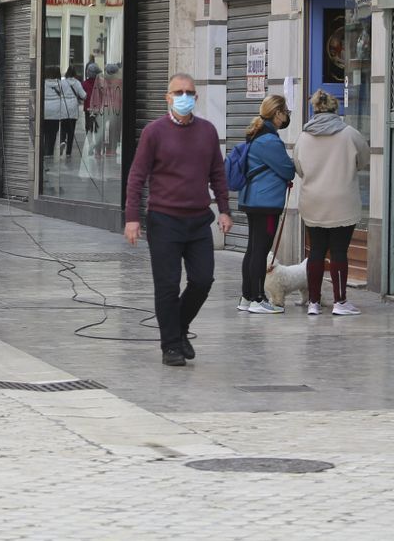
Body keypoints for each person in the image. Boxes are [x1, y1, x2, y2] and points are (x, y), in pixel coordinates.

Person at [123, 73, 232, 367]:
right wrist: (132, 217)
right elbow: (136, 177)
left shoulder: (208, 131)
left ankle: (180, 327)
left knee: (202, 280)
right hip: (164, 220)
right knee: (168, 285)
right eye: (178, 92)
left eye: (189, 92)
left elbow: (218, 174)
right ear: (168, 98)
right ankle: (171, 345)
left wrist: (224, 209)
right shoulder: (153, 132)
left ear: (196, 98)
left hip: (198, 220)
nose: (184, 96)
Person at [295, 89, 370, 317]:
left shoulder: (303, 136)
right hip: (342, 201)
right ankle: (340, 301)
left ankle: (314, 302)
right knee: (339, 251)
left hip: (313, 201)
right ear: (335, 109)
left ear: (315, 109)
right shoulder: (350, 134)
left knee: (316, 250)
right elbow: (364, 159)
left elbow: (298, 167)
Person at [238, 94, 297, 315]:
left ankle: (246, 297)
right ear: (277, 113)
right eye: (286, 113)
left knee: (253, 249)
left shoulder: (256, 135)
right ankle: (257, 298)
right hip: (266, 203)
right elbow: (287, 170)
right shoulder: (270, 141)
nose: (287, 117)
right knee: (260, 251)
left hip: (253, 199)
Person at [39, 66, 73, 158]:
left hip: (43, 112)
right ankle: (49, 152)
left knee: (42, 133)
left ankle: (41, 153)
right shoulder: (60, 84)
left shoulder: (42, 83)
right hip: (55, 113)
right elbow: (67, 96)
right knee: (52, 133)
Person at [58, 67, 88, 158]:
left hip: (64, 106)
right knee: (71, 130)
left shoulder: (62, 82)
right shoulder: (77, 83)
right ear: (75, 73)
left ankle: (62, 140)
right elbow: (83, 95)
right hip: (73, 108)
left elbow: (58, 92)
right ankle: (68, 152)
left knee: (63, 126)